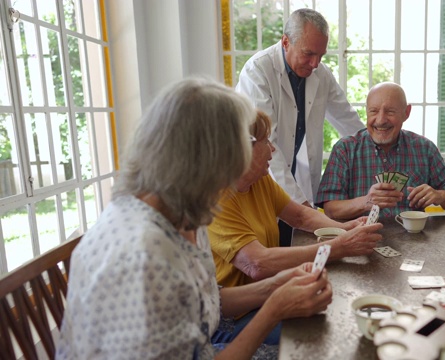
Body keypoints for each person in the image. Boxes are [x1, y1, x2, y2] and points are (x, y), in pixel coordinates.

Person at [56, 77, 332, 359]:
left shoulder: (183, 216)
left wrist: (277, 285)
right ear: (204, 163)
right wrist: (274, 309)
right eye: (234, 160)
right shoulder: (142, 257)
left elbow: (208, 301)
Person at [209, 110, 383, 289]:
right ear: (244, 149)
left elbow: (300, 216)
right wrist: (340, 246)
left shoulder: (260, 180)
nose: (273, 148)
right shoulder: (215, 198)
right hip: (240, 313)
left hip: (270, 292)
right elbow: (257, 264)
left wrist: (344, 229)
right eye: (266, 141)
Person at [236, 8, 363, 207]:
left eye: (321, 55)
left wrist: (378, 149)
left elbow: (347, 120)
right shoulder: (257, 71)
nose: (315, 64)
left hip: (300, 178)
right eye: (309, 54)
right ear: (286, 42)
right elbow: (267, 143)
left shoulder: (321, 74)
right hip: (261, 181)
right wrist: (302, 207)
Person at [316, 82, 445, 220]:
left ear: (406, 112)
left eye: (390, 112)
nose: (380, 120)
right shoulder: (345, 149)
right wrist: (366, 201)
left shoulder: (424, 148)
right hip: (359, 238)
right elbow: (330, 209)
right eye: (373, 111)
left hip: (414, 240)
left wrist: (440, 195)